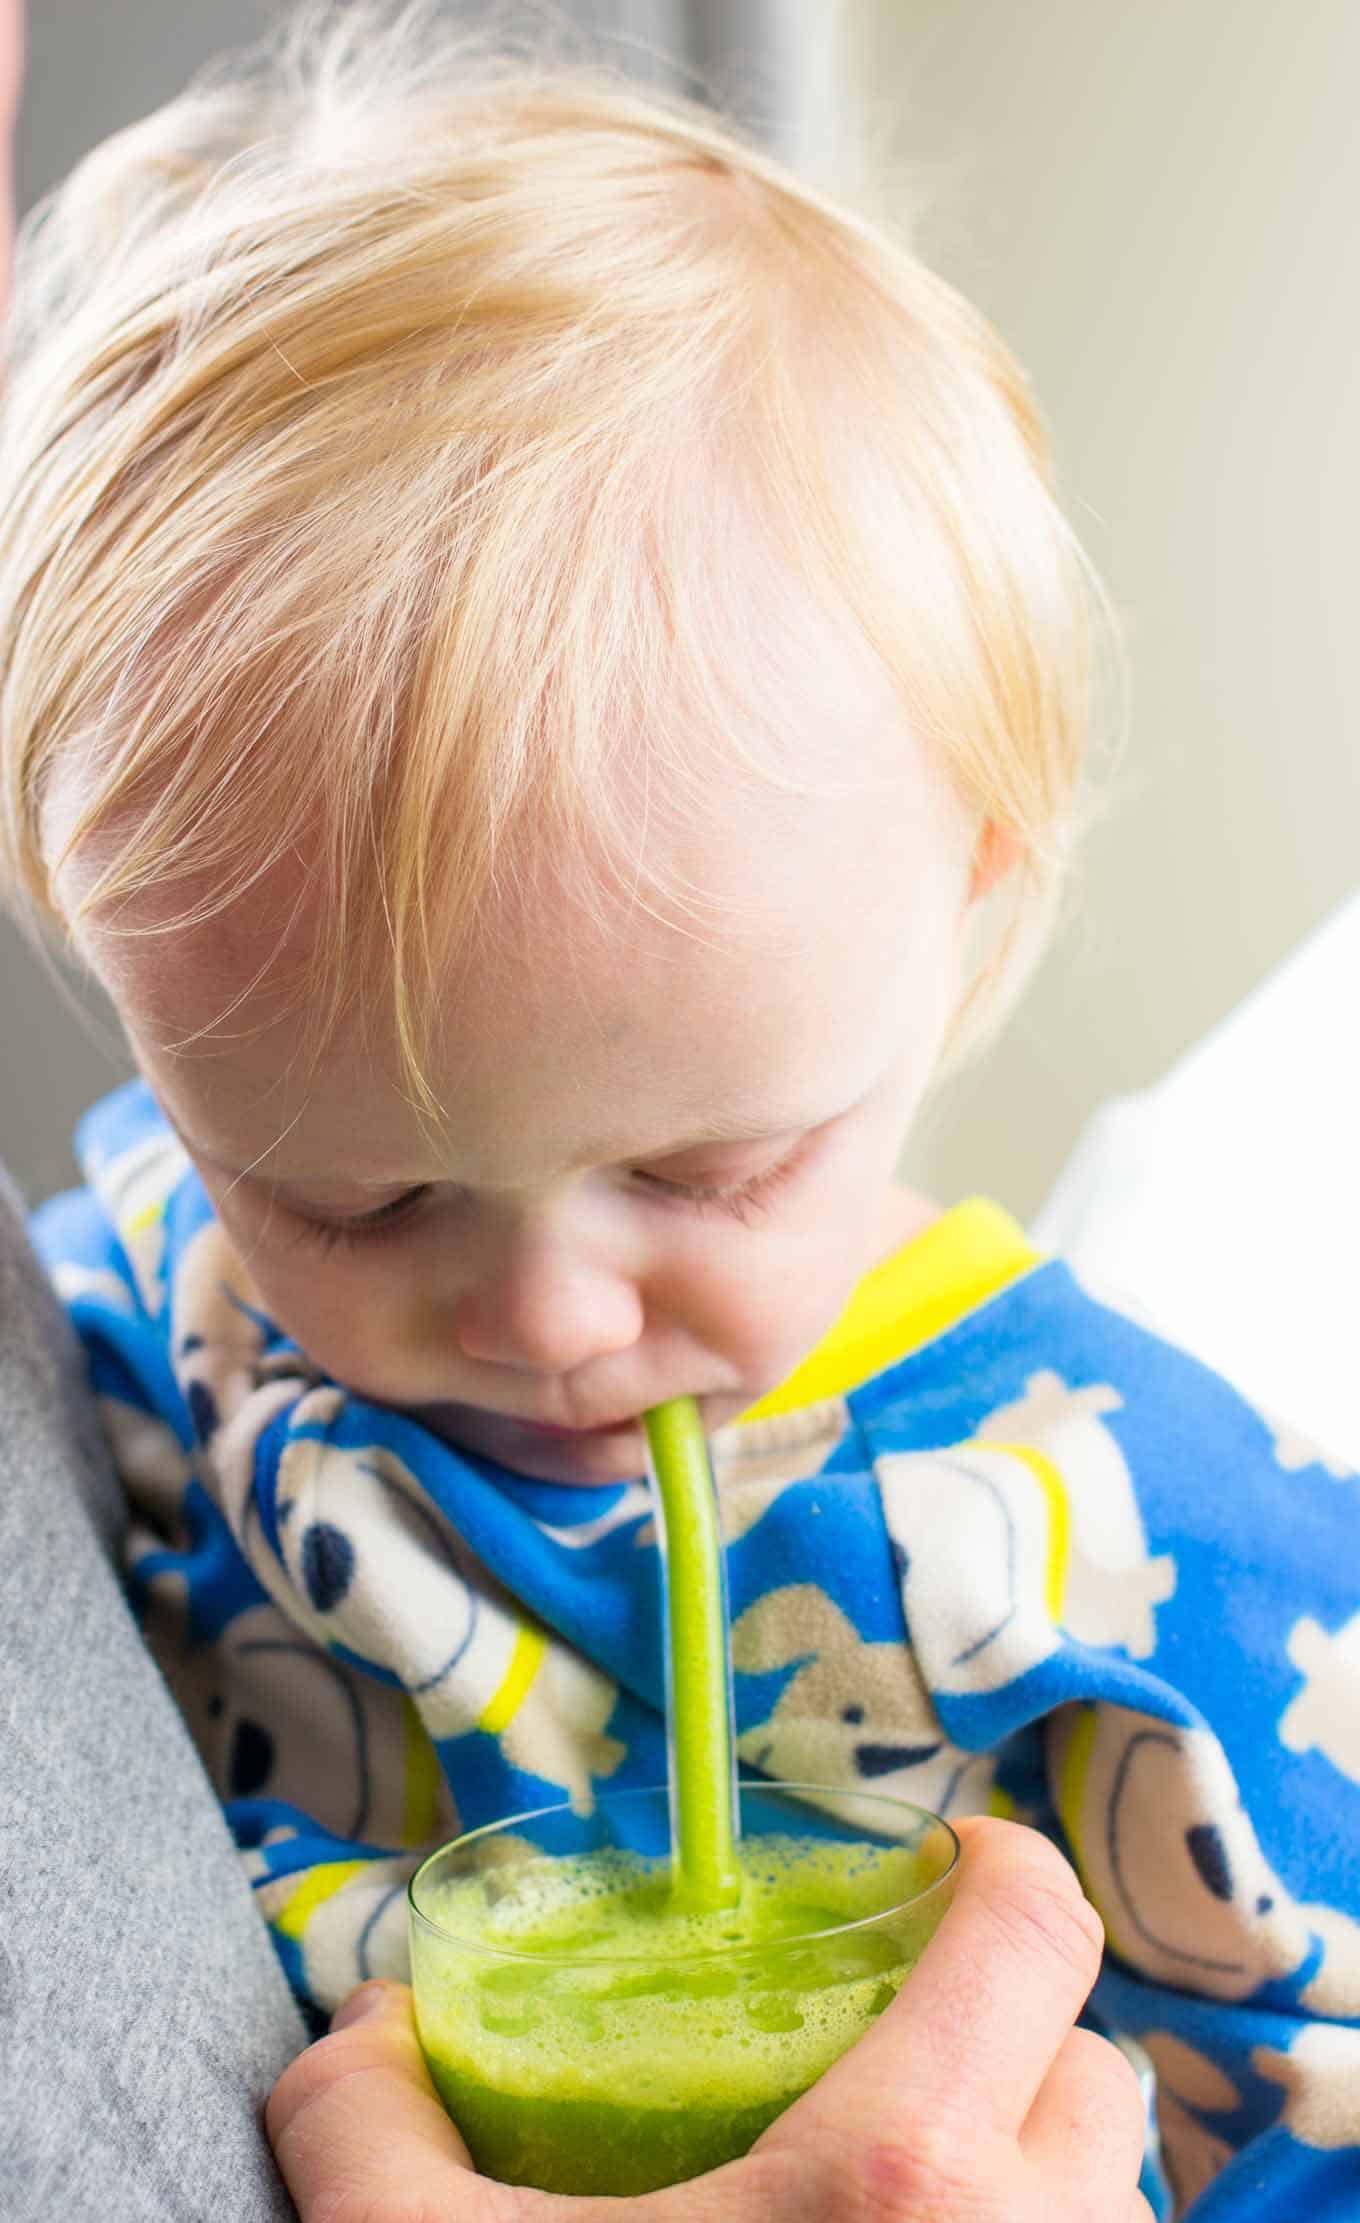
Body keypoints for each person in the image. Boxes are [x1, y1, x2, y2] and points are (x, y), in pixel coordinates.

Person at [2, 7, 1355, 2216]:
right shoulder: (167, 1295)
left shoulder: (1149, 1557)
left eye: (702, 1169)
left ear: (970, 910)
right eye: (354, 1188)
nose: (541, 1310)